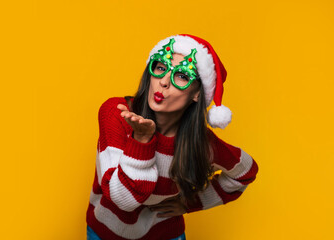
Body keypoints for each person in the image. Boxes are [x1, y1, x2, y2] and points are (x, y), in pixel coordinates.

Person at [85, 34, 259, 240]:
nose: (164, 82)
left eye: (182, 76)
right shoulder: (117, 113)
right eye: (160, 67)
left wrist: (190, 203)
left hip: (167, 235)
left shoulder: (201, 144)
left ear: (197, 94)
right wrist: (142, 140)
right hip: (106, 234)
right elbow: (122, 199)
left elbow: (245, 172)